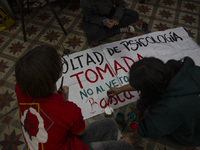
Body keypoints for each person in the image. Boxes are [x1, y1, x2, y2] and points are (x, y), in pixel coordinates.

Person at [15, 45, 134, 150]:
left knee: (110, 125)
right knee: (125, 146)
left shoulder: (20, 88)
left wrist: (60, 98)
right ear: (55, 75)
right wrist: (64, 102)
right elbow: (81, 131)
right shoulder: (69, 110)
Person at [107, 57, 200, 147]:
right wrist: (121, 89)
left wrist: (132, 137)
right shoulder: (177, 69)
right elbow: (149, 80)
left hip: (194, 133)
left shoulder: (169, 108)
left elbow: (150, 128)